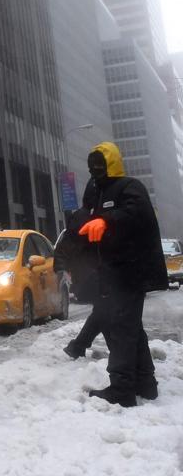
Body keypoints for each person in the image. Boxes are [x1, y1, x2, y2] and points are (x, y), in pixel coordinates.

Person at [76, 142, 166, 407]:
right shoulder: (96, 189)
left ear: (111, 163)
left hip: (132, 270)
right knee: (130, 327)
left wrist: (108, 220)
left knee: (121, 328)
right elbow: (85, 216)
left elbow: (137, 213)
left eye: (99, 165)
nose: (94, 170)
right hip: (112, 271)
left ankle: (122, 388)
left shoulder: (130, 187)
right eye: (91, 166)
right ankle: (146, 383)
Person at [56, 206, 104, 359]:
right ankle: (79, 346)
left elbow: (63, 248)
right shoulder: (88, 218)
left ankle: (78, 346)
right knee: (106, 311)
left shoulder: (83, 217)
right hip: (92, 274)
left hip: (90, 273)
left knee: (103, 311)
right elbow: (65, 248)